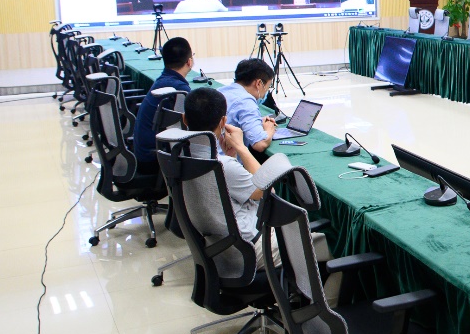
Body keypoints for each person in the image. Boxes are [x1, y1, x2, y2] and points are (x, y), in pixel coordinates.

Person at [181, 87, 330, 270]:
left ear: (184, 119)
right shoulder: (221, 165)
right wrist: (241, 148)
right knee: (333, 245)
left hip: (217, 247)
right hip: (248, 250)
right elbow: (267, 190)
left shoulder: (180, 156)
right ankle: (320, 290)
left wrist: (232, 156)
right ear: (223, 122)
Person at [131, 37, 193, 174]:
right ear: (189, 61)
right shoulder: (179, 90)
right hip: (154, 160)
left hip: (145, 153)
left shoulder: (163, 81)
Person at [218, 58, 278, 154]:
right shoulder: (245, 102)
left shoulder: (220, 91)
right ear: (258, 83)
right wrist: (269, 129)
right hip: (227, 160)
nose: (266, 92)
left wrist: (257, 121)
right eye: (268, 87)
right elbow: (260, 143)